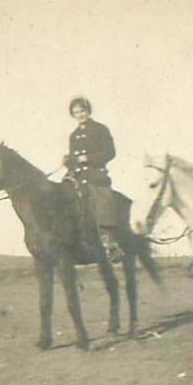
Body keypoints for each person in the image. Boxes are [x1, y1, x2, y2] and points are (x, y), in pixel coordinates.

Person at [63, 96, 123, 262]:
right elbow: (74, 158)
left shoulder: (100, 129)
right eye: (76, 112)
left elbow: (110, 152)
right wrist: (69, 161)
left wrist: (87, 158)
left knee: (101, 198)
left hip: (96, 175)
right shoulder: (73, 135)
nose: (80, 115)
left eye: (82, 111)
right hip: (77, 176)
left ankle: (109, 242)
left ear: (88, 111)